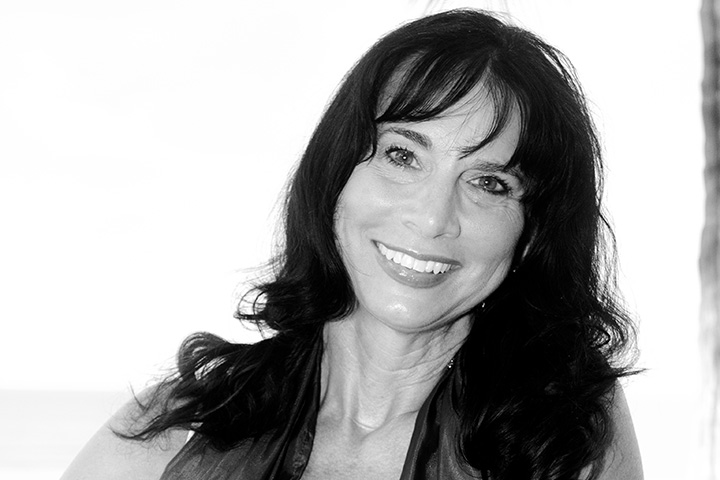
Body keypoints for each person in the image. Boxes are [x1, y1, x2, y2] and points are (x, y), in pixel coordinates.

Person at [61, 8, 643, 480]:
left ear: (532, 232)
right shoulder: (177, 433)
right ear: (336, 173)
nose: (433, 218)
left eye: (489, 183)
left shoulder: (562, 435)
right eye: (402, 155)